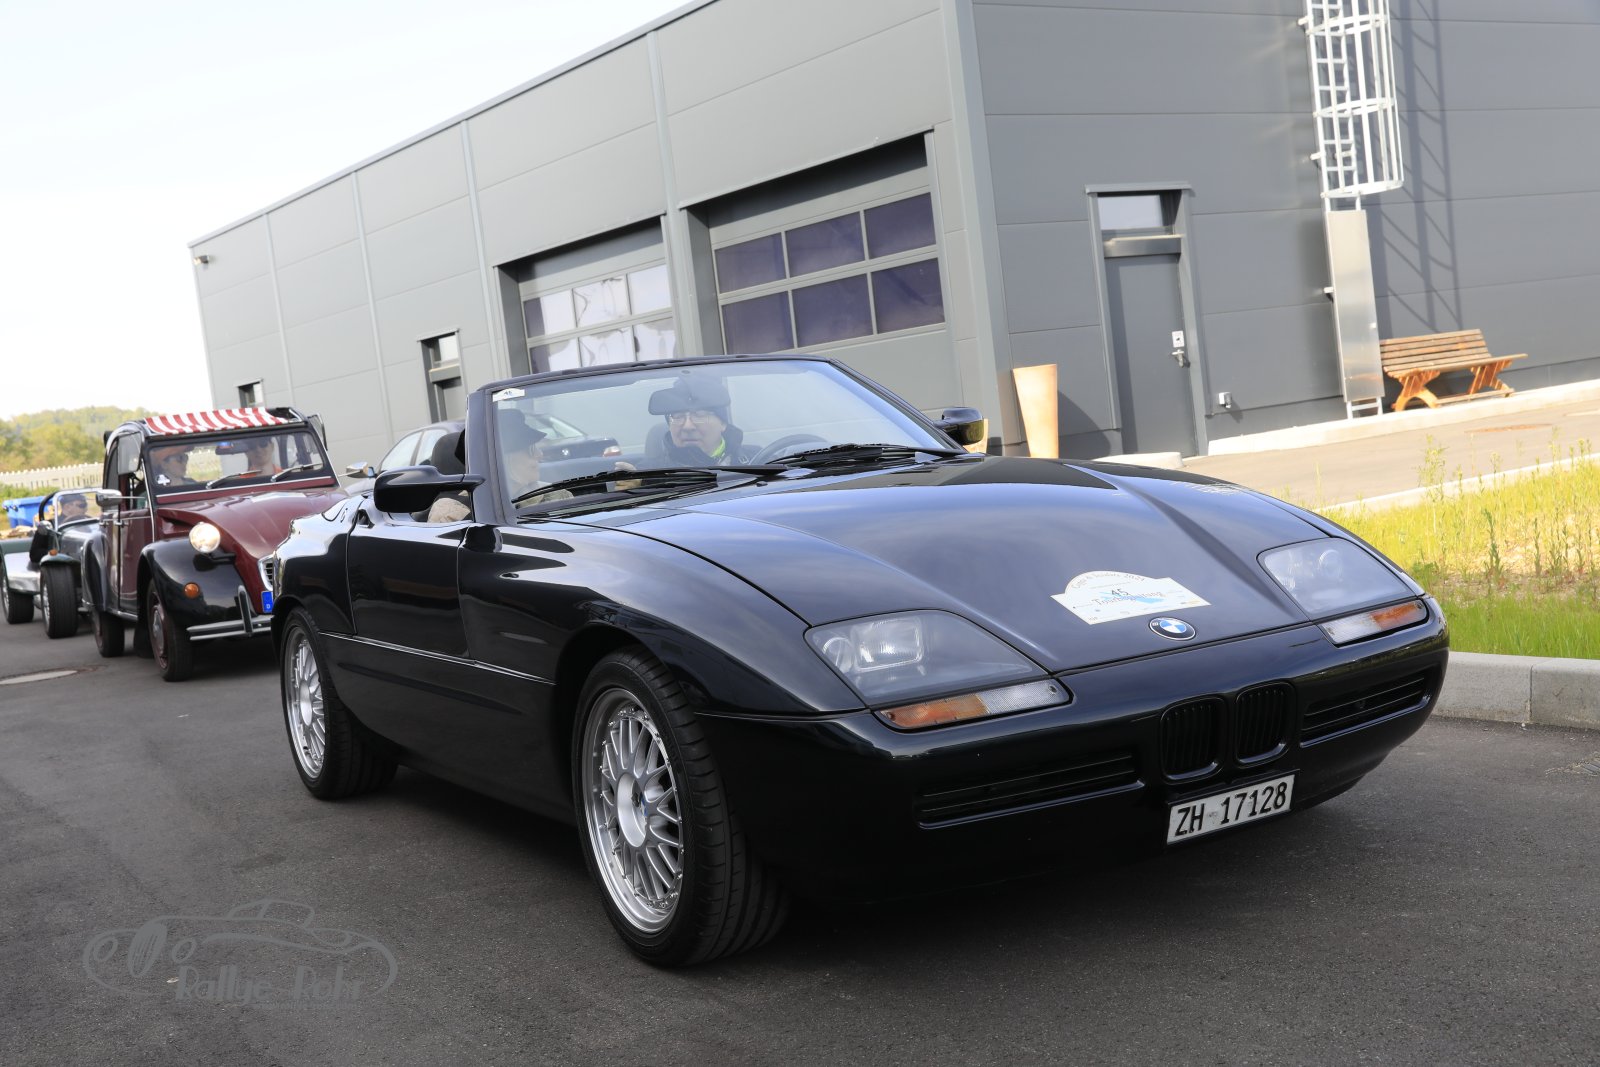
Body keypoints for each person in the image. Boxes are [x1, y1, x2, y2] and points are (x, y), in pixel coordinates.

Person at [647, 376, 752, 466]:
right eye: (678, 416)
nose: (687, 426)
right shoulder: (648, 475)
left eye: (700, 415)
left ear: (723, 423)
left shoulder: (755, 462)